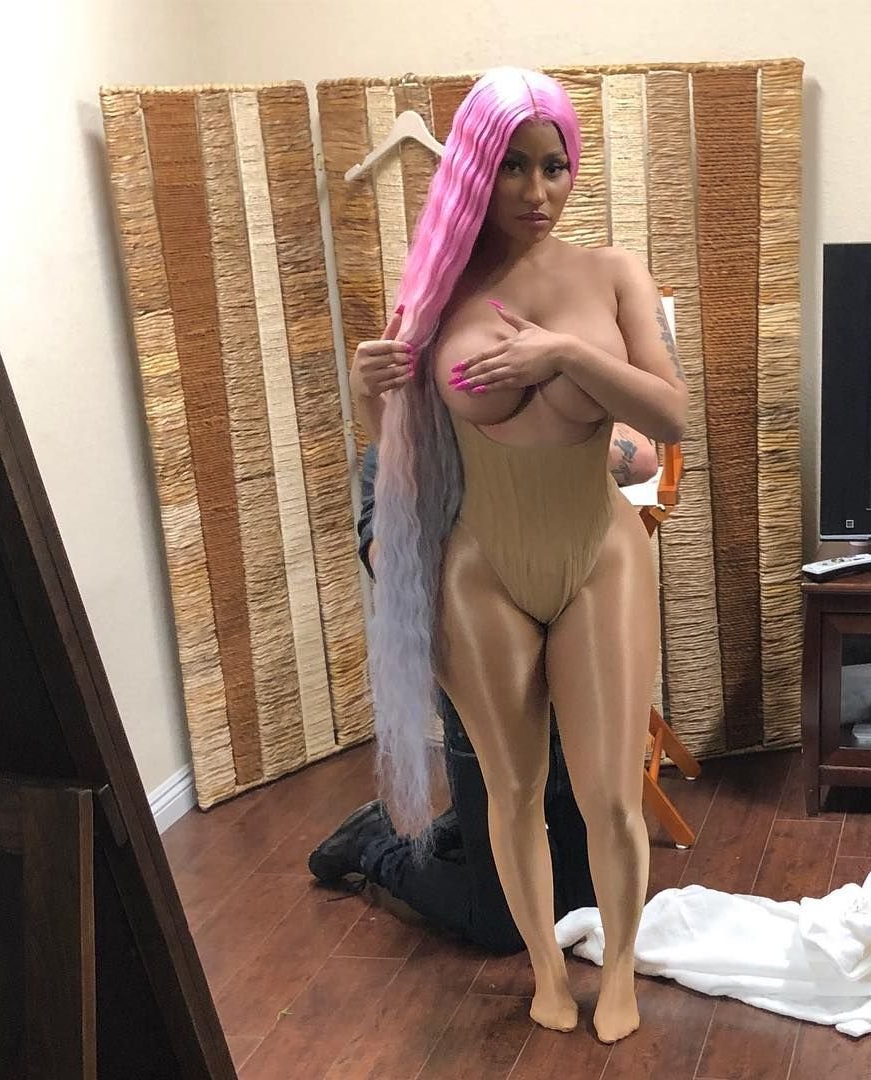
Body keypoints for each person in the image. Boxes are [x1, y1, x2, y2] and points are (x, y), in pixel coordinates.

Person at [349, 68, 687, 1041]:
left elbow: (670, 417)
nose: (538, 190)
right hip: (480, 568)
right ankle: (545, 969)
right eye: (511, 167)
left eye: (555, 165)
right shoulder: (435, 292)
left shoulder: (612, 274)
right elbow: (404, 457)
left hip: (597, 556)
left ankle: (616, 974)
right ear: (474, 171)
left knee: (610, 796)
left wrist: (566, 356)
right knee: (510, 790)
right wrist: (371, 390)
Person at [309, 426, 656, 954]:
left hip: (575, 670)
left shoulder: (548, 408)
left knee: (587, 905)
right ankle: (373, 843)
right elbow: (386, 560)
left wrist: (534, 434)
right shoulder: (405, 440)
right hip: (486, 683)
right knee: (503, 927)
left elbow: (643, 459)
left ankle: (458, 830)